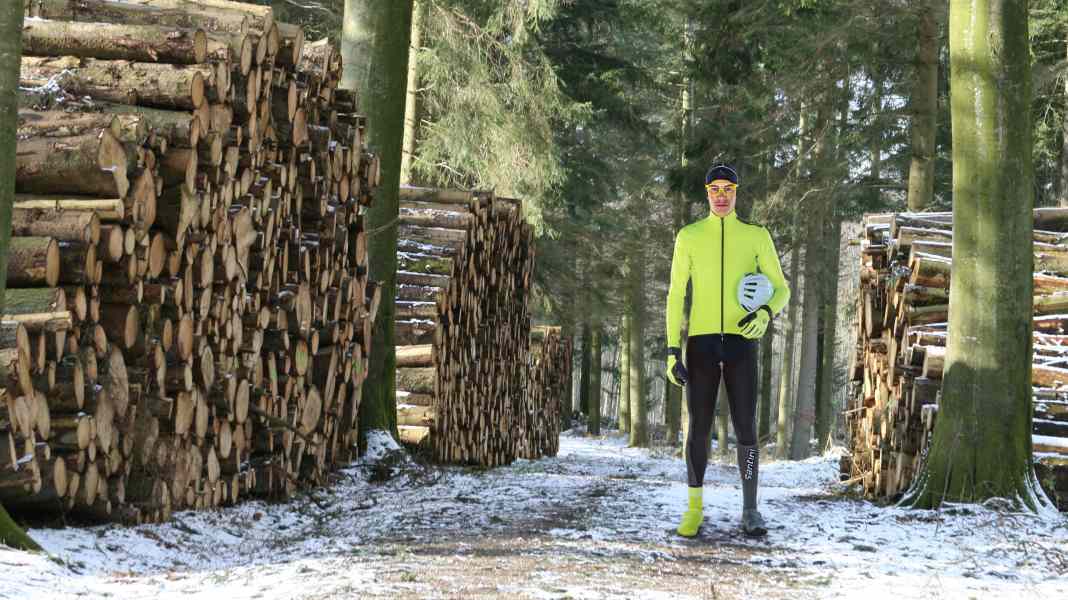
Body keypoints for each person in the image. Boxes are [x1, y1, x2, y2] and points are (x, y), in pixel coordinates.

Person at [665, 163, 790, 538]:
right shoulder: (689, 236)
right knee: (698, 428)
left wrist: (765, 313)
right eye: (715, 190)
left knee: (746, 427)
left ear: (736, 193)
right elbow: (675, 295)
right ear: (707, 194)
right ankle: (693, 509)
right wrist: (672, 351)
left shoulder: (756, 236)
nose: (721, 196)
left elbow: (782, 288)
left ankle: (750, 509)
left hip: (741, 342)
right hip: (701, 344)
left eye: (728, 190)